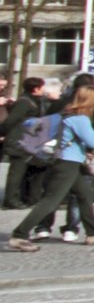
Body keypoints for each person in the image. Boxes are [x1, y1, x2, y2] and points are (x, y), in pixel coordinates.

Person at [9, 80, 94, 248]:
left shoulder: (66, 114)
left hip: (67, 161)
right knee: (51, 200)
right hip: (67, 162)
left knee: (85, 196)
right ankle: (19, 235)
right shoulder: (80, 119)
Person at [2, 77, 49, 209]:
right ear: (36, 89)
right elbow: (11, 121)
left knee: (26, 171)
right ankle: (10, 200)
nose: (44, 89)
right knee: (17, 172)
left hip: (29, 141)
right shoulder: (24, 102)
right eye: (42, 87)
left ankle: (25, 197)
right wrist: (3, 133)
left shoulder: (34, 101)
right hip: (19, 141)